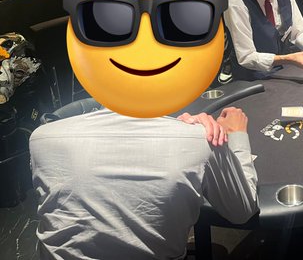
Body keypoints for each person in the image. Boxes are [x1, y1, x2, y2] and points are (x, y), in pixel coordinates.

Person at [30, 106, 258, 259]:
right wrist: (235, 135)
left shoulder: (41, 138)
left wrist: (184, 129)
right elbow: (242, 211)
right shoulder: (199, 139)